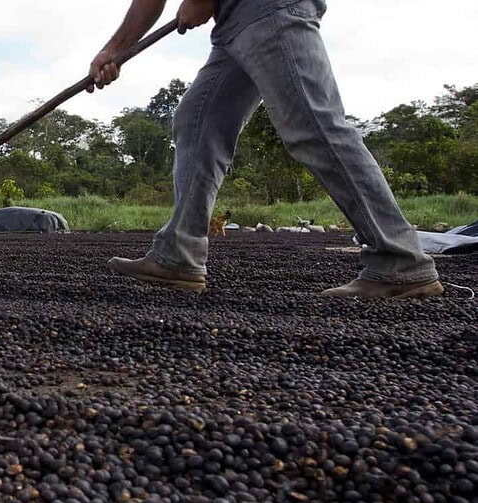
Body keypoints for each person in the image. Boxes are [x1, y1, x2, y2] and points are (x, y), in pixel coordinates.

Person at [88, 0, 443, 298]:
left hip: (269, 7)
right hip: (233, 22)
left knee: (313, 125)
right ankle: (176, 254)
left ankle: (400, 259)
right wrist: (114, 50)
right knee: (198, 121)